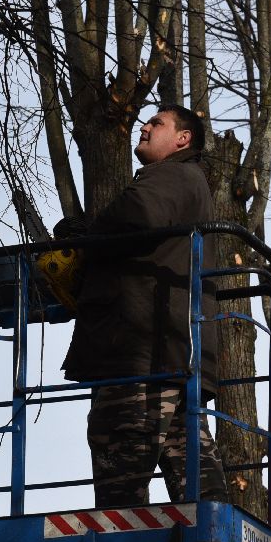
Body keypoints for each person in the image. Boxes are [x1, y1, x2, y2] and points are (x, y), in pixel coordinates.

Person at [59, 104, 228, 507]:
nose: (146, 126)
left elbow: (138, 215)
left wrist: (86, 237)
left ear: (183, 139)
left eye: (157, 123)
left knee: (121, 465)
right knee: (194, 474)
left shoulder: (172, 175)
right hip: (172, 357)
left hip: (141, 356)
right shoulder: (186, 181)